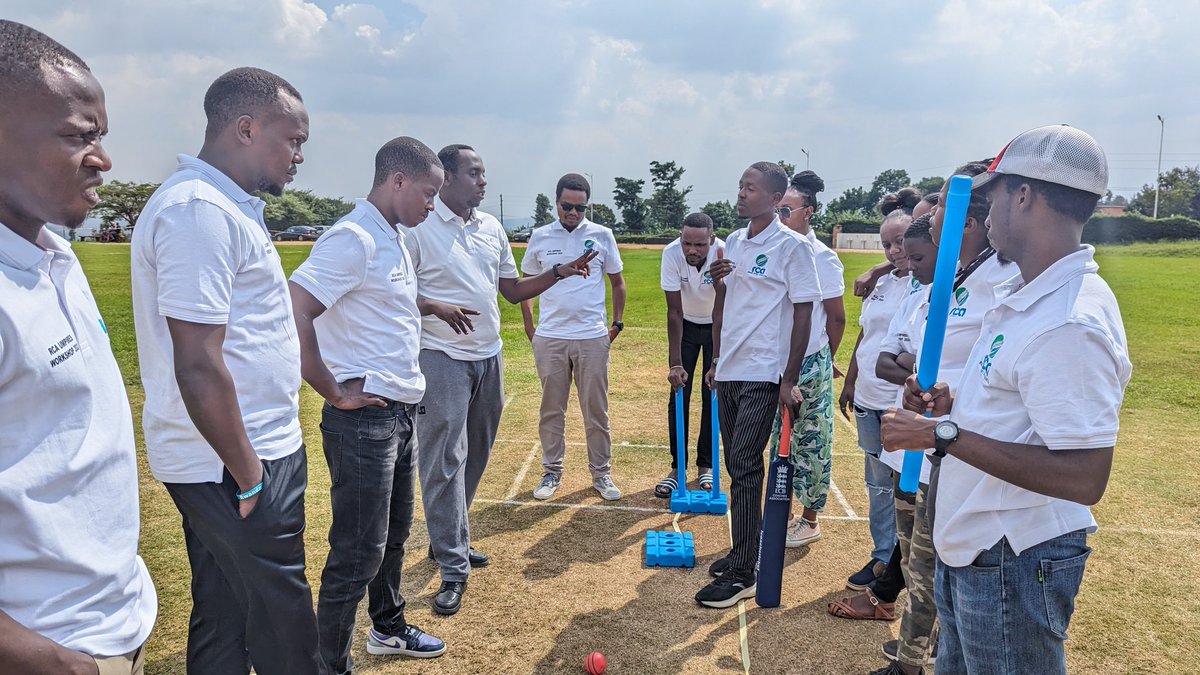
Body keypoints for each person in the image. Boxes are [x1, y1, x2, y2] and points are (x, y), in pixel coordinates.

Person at [883, 125, 1130, 675]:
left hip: (1014, 560)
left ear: (1025, 196)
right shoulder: (1030, 296)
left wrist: (940, 435)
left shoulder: (1068, 321)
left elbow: (1084, 476)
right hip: (977, 546)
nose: (984, 211)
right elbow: (1017, 410)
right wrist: (953, 406)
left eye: (991, 195)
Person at [131, 67, 321, 675]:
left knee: (225, 612)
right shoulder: (197, 211)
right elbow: (198, 360)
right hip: (233, 462)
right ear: (246, 128)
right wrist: (248, 472)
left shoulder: (228, 207)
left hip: (244, 452)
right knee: (285, 626)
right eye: (292, 140)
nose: (298, 157)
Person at [0, 20, 157, 675]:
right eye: (77, 135)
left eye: (101, 136)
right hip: (54, 649)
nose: (102, 158)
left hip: (114, 623)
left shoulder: (51, 254)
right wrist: (41, 658)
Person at [404, 146, 595, 615]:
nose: (483, 180)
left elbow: (511, 292)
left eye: (483, 172)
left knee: (477, 451)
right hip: (440, 357)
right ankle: (452, 567)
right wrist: (432, 307)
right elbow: (395, 294)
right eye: (474, 172)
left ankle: (450, 535)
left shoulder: (491, 227)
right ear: (445, 178)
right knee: (443, 457)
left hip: (488, 356)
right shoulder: (417, 227)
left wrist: (559, 272)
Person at [288, 137, 448, 672]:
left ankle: (388, 628)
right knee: (357, 553)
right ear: (397, 180)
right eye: (428, 193)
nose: (433, 205)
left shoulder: (393, 236)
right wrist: (333, 390)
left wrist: (431, 305)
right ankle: (328, 665)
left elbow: (383, 303)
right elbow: (296, 311)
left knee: (394, 537)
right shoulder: (352, 238)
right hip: (364, 422)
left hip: (398, 414)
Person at [695, 162, 821, 608]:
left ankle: (745, 571)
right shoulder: (733, 243)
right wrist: (716, 359)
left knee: (747, 463)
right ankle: (740, 553)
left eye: (751, 188)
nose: (742, 193)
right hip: (730, 368)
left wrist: (789, 378)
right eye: (740, 185)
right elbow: (728, 304)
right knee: (737, 464)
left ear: (774, 199)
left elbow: (804, 312)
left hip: (764, 373)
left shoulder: (793, 247)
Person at [836, 189, 923, 591]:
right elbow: (867, 335)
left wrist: (878, 269)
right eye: (886, 244)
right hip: (869, 398)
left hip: (896, 401)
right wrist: (852, 380)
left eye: (900, 242)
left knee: (900, 486)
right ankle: (882, 553)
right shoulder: (885, 283)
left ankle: (896, 564)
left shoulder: (924, 283)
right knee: (876, 484)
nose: (893, 250)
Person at [521, 173, 627, 502]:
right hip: (551, 337)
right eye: (567, 206)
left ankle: (602, 474)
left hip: (591, 337)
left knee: (596, 410)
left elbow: (618, 283)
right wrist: (530, 327)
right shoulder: (540, 236)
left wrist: (616, 326)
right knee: (552, 409)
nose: (573, 213)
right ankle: (551, 472)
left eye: (580, 208)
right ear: (556, 202)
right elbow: (525, 284)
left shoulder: (602, 235)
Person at [766, 170, 846, 550]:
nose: (779, 216)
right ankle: (773, 508)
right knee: (773, 440)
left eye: (786, 209)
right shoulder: (772, 247)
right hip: (772, 361)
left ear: (808, 212)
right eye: (776, 208)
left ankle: (809, 519)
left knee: (811, 441)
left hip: (809, 362)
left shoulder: (822, 257)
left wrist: (823, 360)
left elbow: (836, 316)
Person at [657, 212, 725, 498]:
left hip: (717, 326)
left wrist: (717, 360)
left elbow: (724, 309)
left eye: (699, 245)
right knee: (678, 395)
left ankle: (706, 466)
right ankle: (677, 468)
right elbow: (674, 311)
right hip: (685, 325)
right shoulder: (671, 254)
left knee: (712, 393)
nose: (692, 251)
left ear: (711, 239)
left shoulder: (723, 253)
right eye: (687, 243)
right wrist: (675, 363)